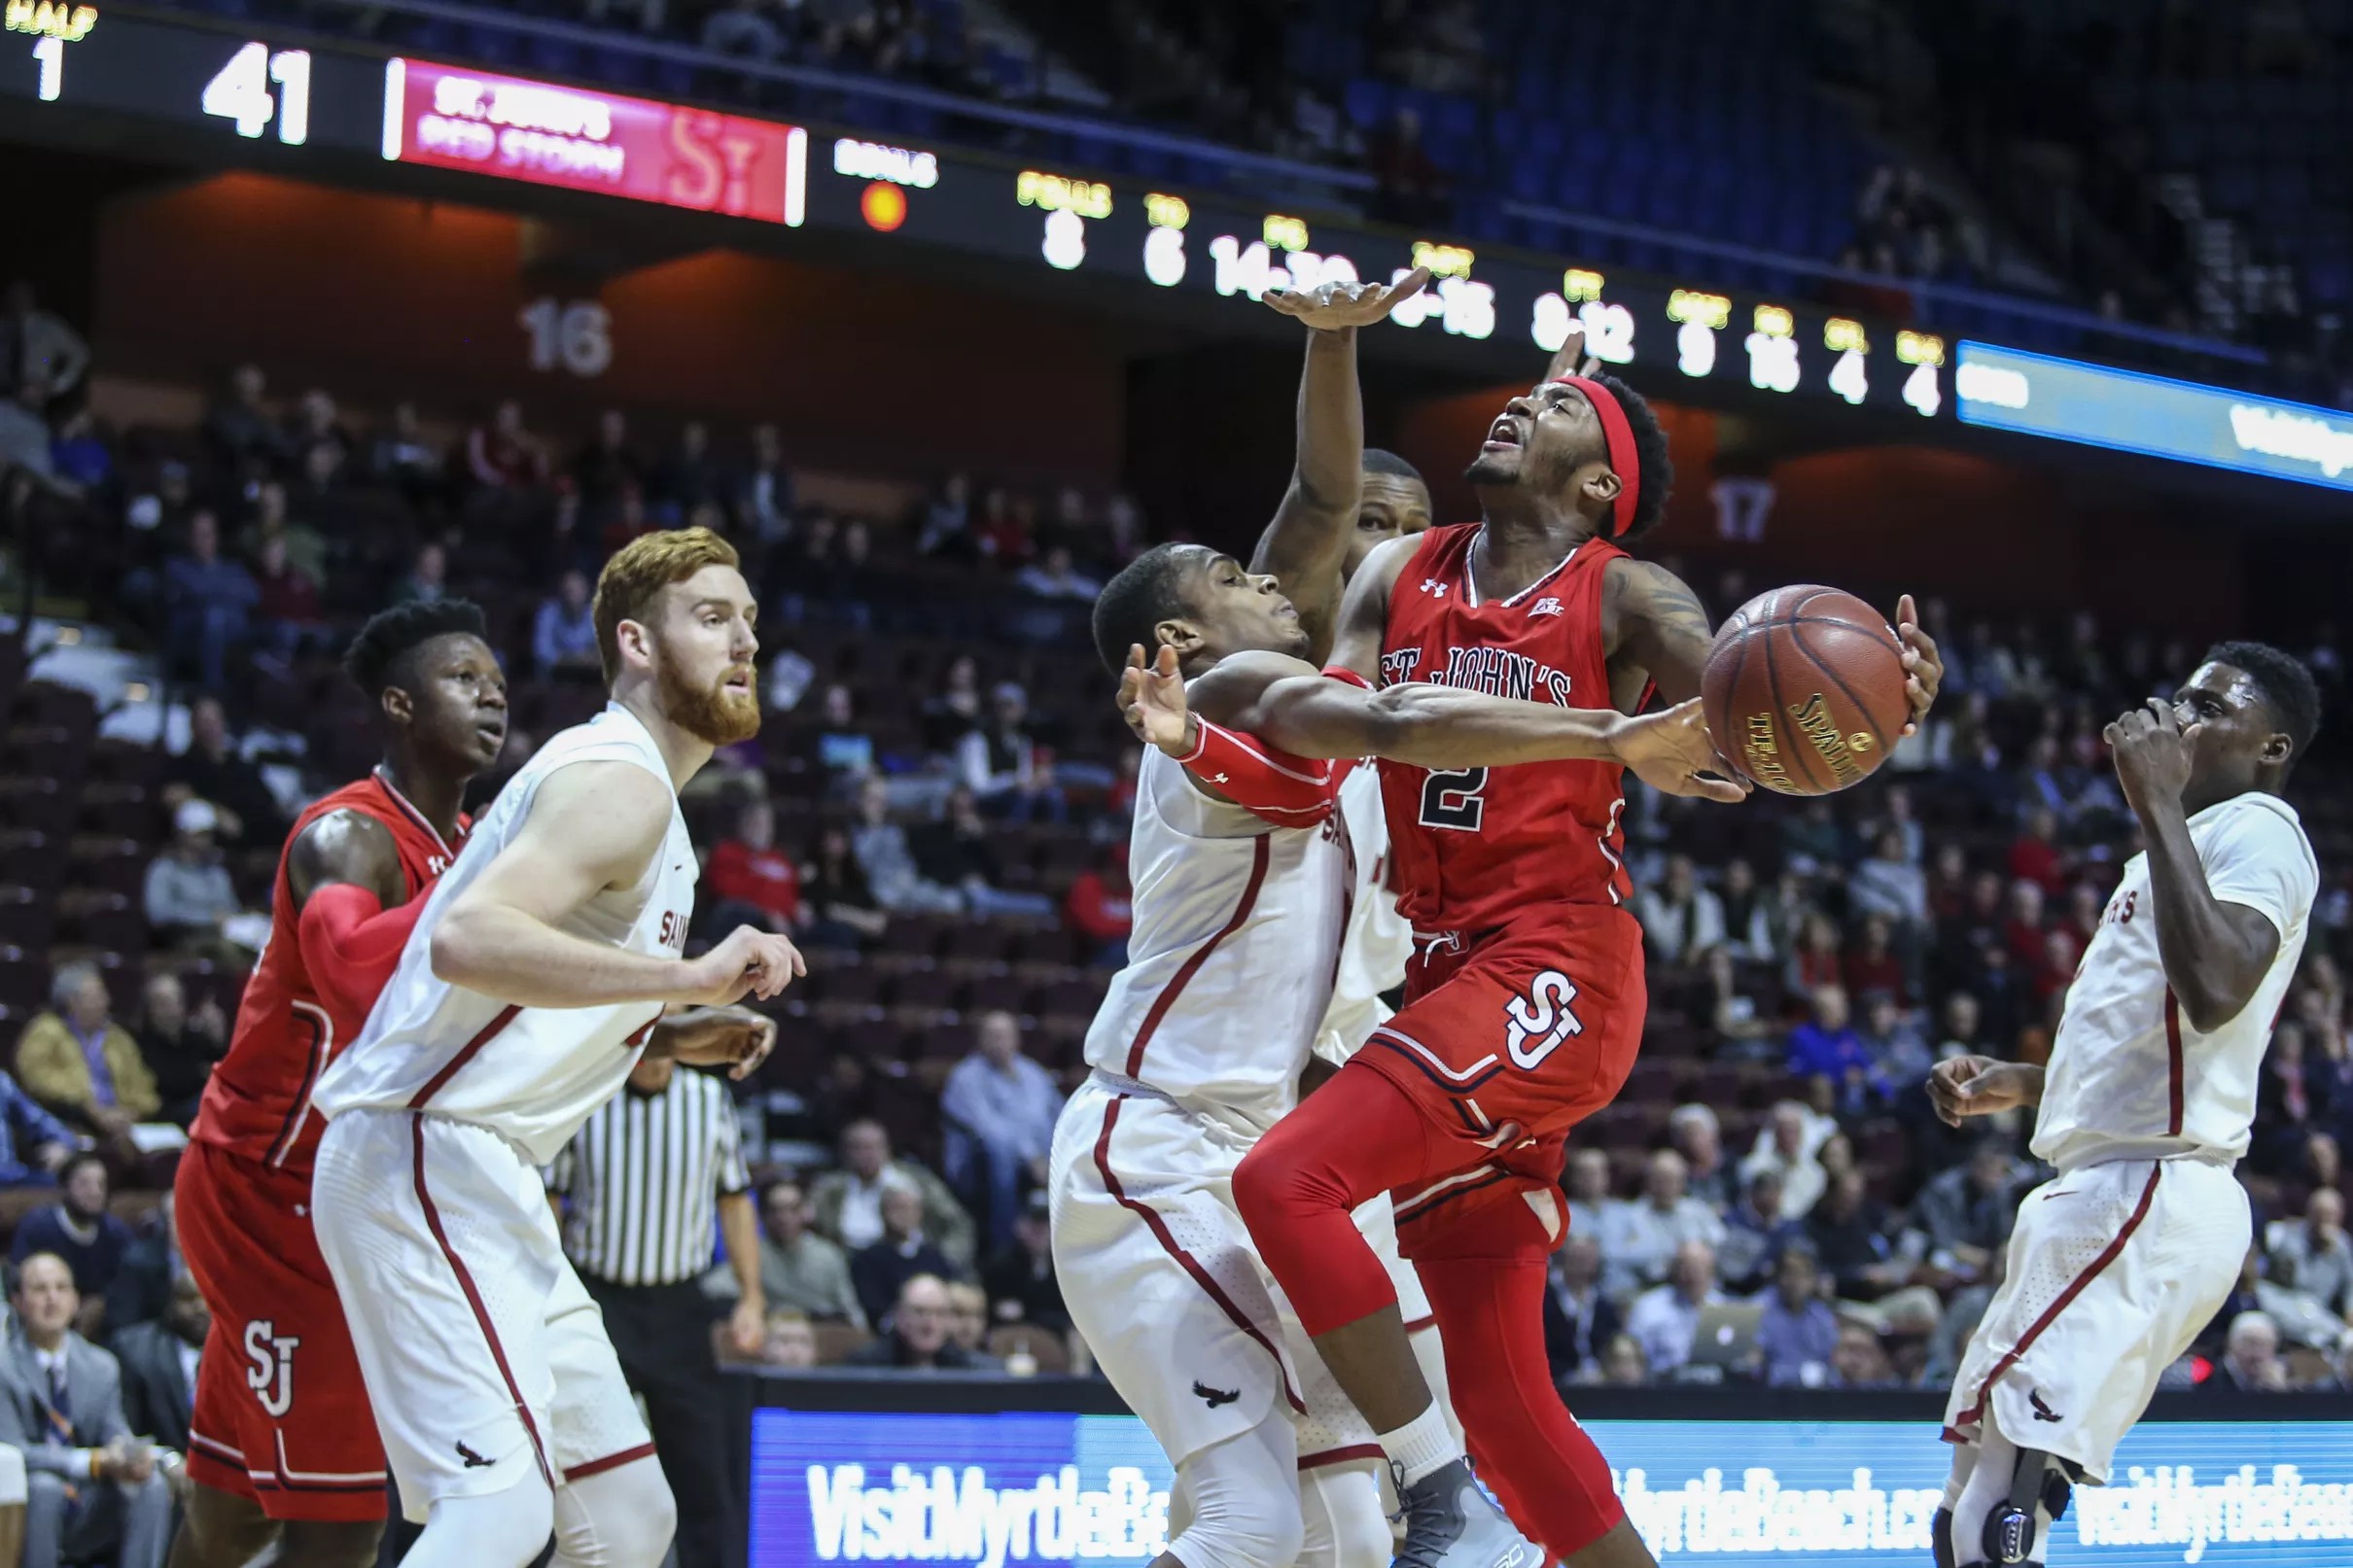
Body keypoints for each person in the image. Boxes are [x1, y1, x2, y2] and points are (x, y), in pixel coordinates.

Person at [1071, 286, 1743, 1568]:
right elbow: (1326, 515)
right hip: (1406, 1016)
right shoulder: (1335, 640)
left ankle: (1446, 1494)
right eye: (1362, 526)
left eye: (1398, 512)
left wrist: (1816, 717)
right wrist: (1361, 358)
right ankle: (1456, 1491)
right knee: (1469, 1411)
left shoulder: (1616, 591)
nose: (1367, 539)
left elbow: (1721, 699)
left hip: (1536, 970)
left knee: (1296, 1447)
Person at [301, 528, 796, 1568]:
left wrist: (663, 1026)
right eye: (712, 617)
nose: (744, 640)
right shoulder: (619, 778)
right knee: (497, 1511)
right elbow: (469, 936)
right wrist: (688, 975)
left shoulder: (641, 797)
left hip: (486, 1169)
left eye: (749, 619)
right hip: (425, 1147)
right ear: (637, 642)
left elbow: (530, 976)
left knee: (625, 1519)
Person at [1929, 644, 2321, 1568]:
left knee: (1996, 1515)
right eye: (2179, 695)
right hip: (2112, 1182)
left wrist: (2155, 804)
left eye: (2210, 705)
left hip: (2153, 1184)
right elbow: (2165, 1032)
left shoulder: (2262, 826)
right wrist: (2027, 1083)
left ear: (2269, 746)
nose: (2179, 715)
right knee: (1974, 1512)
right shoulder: (2169, 852)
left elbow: (2219, 985)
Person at [168, 599, 508, 1568]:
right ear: (399, 704)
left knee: (232, 1517)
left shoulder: (472, 851)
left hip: (343, 1195)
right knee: (342, 1523)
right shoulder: (345, 837)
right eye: (462, 676)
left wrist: (666, 1007)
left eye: (497, 680)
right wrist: (489, 910)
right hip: (269, 1194)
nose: (491, 692)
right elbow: (350, 959)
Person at [547, 1045, 773, 1568]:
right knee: (570, 1464)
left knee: (701, 1472)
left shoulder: (709, 1097)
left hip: (679, 1306)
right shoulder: (590, 1091)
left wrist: (753, 1297)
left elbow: (735, 1201)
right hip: (598, 1303)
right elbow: (552, 1201)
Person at [0, 1254, 172, 1568]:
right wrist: (91, 1462)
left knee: (152, 1484)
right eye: (40, 1289)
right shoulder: (4, 1366)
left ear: (76, 1300)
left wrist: (128, 1455)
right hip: (29, 1498)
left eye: (61, 1288)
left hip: (89, 1501)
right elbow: (15, 1453)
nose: (52, 1298)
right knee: (45, 1488)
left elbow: (114, 1431)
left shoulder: (101, 1365)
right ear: (18, 1302)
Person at [939, 1011, 1063, 1247]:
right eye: (992, 1036)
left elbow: (1060, 1113)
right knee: (1000, 1153)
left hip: (1042, 1160)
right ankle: (1004, 1245)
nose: (999, 1043)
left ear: (1017, 1039)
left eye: (1005, 1036)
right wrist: (1031, 1157)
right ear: (980, 1040)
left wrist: (1052, 1158)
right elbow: (988, 1129)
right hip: (983, 1164)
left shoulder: (1033, 1073)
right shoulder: (965, 1077)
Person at [15, 966, 159, 1150]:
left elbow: (144, 1085)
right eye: (96, 997)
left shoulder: (119, 1038)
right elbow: (38, 1078)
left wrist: (132, 1113)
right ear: (72, 1002)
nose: (106, 1002)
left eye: (104, 995)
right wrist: (90, 1108)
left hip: (123, 1124)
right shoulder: (44, 1032)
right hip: (71, 1120)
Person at [808, 1120, 975, 1270]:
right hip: (850, 1266)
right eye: (858, 1147)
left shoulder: (918, 1181)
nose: (867, 1155)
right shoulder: (829, 1190)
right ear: (845, 1152)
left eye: (872, 1147)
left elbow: (959, 1223)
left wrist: (944, 1262)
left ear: (887, 1148)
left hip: (913, 1265)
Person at [717, 1179, 863, 1327]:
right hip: (770, 1334)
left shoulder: (828, 1255)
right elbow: (715, 1287)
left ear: (806, 1211)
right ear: (763, 1215)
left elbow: (851, 1311)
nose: (784, 1218)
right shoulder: (752, 1254)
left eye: (793, 1209)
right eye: (775, 1210)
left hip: (821, 1335)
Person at [1595, 1150, 1725, 1302]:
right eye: (1659, 1180)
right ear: (1648, 1181)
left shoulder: (1698, 1212)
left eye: (1671, 1180)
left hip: (1696, 1292)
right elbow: (1614, 1256)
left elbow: (1720, 1248)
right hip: (1644, 1291)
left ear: (1682, 1182)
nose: (1665, 1186)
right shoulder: (1629, 1216)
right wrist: (1669, 1259)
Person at [11, 1155, 133, 1316]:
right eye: (84, 1184)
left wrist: (102, 1302)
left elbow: (126, 1284)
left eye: (101, 1184)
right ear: (65, 1187)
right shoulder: (38, 1227)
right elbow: (20, 1279)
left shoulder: (115, 1232)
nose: (94, 1192)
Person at [110, 1272, 206, 1456]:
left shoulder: (244, 1353)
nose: (200, 1307)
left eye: (208, 1297)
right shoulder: (135, 1352)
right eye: (189, 1298)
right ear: (170, 1303)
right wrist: (167, 1461)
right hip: (159, 1470)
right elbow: (126, 1434)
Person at [849, 1184, 958, 1330]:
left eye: (912, 1208)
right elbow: (873, 1308)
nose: (905, 1214)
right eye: (898, 1208)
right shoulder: (867, 1259)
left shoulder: (933, 1255)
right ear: (883, 1213)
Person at [131, 973, 225, 1130]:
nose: (172, 1007)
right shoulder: (141, 1042)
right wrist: (200, 1073)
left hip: (200, 1103)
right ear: (151, 1008)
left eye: (176, 999)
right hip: (167, 1113)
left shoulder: (194, 1036)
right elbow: (169, 1083)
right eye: (163, 1002)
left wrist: (218, 1037)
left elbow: (221, 1064)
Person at [1620, 1241, 1722, 1380]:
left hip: (1718, 1389)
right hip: (1662, 1390)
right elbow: (1631, 1358)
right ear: (1675, 1270)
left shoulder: (1726, 1306)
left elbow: (1744, 1359)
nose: (1693, 1275)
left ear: (1711, 1272)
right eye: (1687, 1268)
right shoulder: (1648, 1307)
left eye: (1700, 1268)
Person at [843, 1274, 989, 1372]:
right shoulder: (865, 1366)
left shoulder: (964, 1366)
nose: (930, 1324)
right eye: (919, 1312)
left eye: (940, 1313)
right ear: (900, 1317)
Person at [980, 1190, 1068, 1336]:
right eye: (1034, 1222)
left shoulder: (1065, 1267)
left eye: (1046, 1222)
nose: (1040, 1230)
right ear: (1019, 1225)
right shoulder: (998, 1267)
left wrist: (1026, 1311)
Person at [1753, 1245, 1841, 1387]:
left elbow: (1832, 1365)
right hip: (1768, 1397)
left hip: (1814, 1398)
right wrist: (1799, 1374)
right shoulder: (1757, 1310)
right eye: (1789, 1273)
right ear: (1778, 1276)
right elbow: (1754, 1366)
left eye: (1803, 1275)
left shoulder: (1821, 1316)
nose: (1796, 1281)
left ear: (1814, 1280)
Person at [1539, 1234, 1619, 1386]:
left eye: (1587, 1259)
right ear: (1563, 1258)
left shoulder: (1604, 1305)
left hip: (1602, 1382)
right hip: (1557, 1381)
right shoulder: (1545, 1299)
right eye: (1576, 1258)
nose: (1582, 1265)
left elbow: (1610, 1341)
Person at [533, 570, 602, 679]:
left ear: (586, 591)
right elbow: (542, 652)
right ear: (561, 593)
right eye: (569, 591)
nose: (572, 597)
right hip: (555, 677)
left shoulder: (594, 614)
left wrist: (591, 658)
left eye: (578, 591)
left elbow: (603, 650)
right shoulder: (548, 612)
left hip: (589, 676)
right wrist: (573, 660)